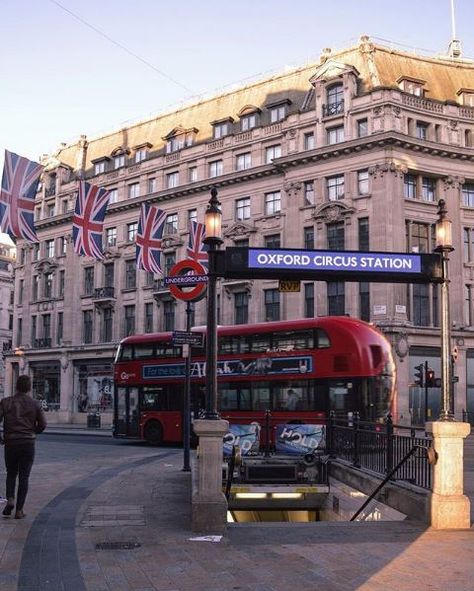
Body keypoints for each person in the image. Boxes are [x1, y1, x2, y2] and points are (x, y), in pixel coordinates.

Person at [0, 375, 47, 519]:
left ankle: (11, 499)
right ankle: (19, 511)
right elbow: (43, 424)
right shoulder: (35, 404)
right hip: (27, 443)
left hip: (11, 443)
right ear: (29, 388)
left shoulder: (5, 402)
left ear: (16, 386)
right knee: (24, 476)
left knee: (11, 473)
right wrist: (33, 432)